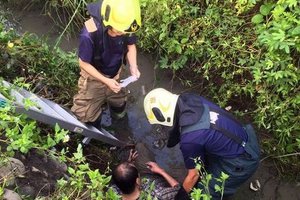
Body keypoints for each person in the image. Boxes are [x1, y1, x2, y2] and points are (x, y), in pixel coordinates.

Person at [143, 88, 260, 199]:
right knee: (206, 166)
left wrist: (180, 197)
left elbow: (193, 175)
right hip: (245, 138)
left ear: (162, 116)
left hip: (243, 161)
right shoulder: (191, 100)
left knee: (204, 191)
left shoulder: (189, 139)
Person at [71, 0, 141, 127]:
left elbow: (131, 46)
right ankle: (95, 130)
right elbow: (83, 63)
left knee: (119, 102)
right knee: (85, 115)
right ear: (107, 21)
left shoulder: (127, 23)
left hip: (116, 71)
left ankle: (120, 122)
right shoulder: (89, 33)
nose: (123, 34)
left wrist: (133, 66)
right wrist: (106, 81)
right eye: (119, 31)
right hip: (94, 77)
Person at [111, 143, 189, 200]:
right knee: (185, 176)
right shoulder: (158, 195)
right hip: (155, 178)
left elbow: (122, 175)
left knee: (140, 147)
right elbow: (178, 189)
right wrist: (161, 171)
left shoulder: (112, 192)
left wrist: (129, 164)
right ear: (138, 180)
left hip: (143, 176)